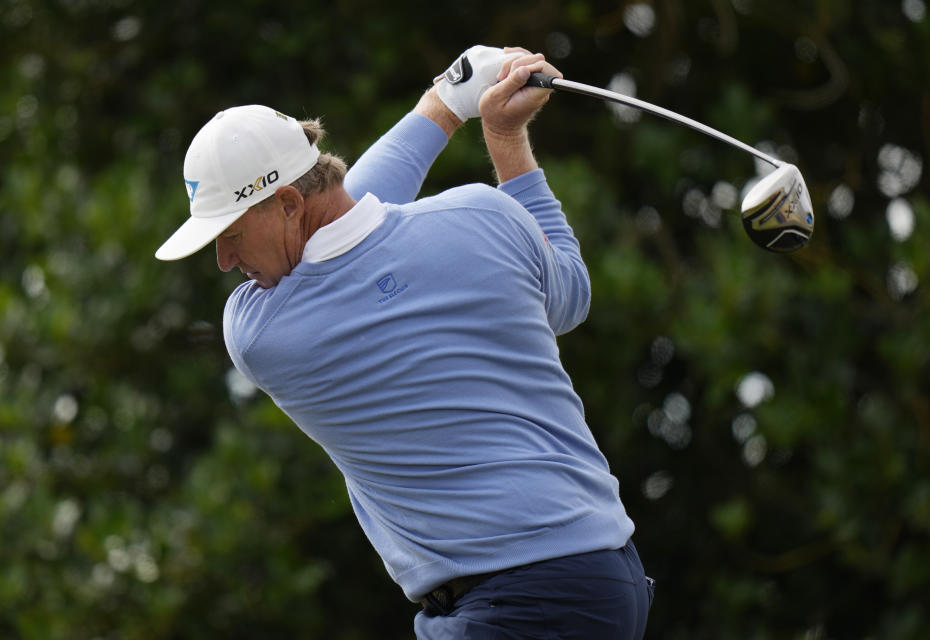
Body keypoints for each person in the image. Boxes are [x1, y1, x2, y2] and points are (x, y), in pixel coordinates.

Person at [155, 45, 654, 639]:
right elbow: (568, 295)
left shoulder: (263, 332)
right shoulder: (485, 216)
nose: (223, 260)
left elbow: (348, 225)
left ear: (288, 203)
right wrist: (500, 134)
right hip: (604, 578)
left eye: (231, 234)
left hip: (522, 600)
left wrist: (445, 104)